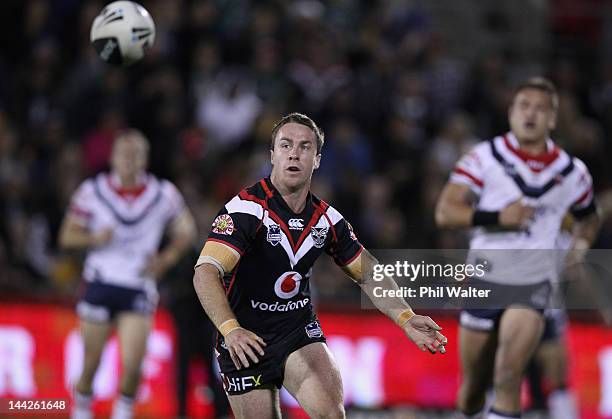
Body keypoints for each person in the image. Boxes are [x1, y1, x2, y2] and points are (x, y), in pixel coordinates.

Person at [193, 112, 448, 419]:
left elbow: (369, 273)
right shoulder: (244, 211)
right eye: (285, 146)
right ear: (272, 156)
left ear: (316, 160)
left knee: (331, 414)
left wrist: (406, 317)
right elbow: (205, 272)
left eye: (304, 147)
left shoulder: (328, 221)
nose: (294, 154)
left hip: (296, 331)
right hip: (245, 338)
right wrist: (230, 330)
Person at [435, 77, 600, 419]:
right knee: (472, 391)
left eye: (541, 109)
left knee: (509, 374)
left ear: (553, 119)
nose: (531, 114)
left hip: (533, 283)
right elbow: (445, 212)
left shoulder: (572, 172)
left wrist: (580, 248)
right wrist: (497, 216)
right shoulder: (483, 158)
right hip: (485, 280)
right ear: (510, 112)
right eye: (524, 105)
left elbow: (590, 217)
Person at [59, 129, 196, 419]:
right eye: (124, 153)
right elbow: (67, 236)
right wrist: (94, 239)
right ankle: (81, 409)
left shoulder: (162, 194)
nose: (129, 160)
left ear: (145, 159)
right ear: (112, 157)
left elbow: (187, 230)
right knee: (91, 363)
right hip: (100, 281)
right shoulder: (92, 192)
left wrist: (165, 259)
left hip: (138, 285)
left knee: (133, 366)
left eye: (136, 154)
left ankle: (123, 413)